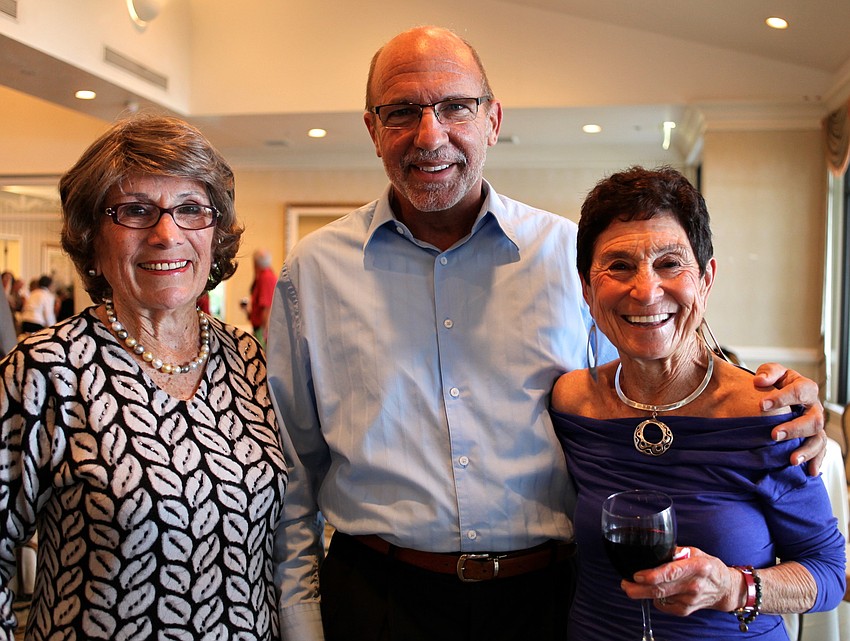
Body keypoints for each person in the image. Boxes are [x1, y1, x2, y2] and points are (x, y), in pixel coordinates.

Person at [267, 26, 827, 641]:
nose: (431, 135)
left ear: (492, 119)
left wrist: (772, 394)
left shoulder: (569, 255)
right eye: (402, 111)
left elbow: (651, 366)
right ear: (373, 129)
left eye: (456, 106)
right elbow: (292, 471)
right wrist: (301, 620)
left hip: (546, 601)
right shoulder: (314, 271)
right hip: (378, 598)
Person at [0, 114, 288, 640]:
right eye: (135, 211)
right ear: (90, 234)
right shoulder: (46, 370)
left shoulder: (249, 359)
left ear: (216, 233)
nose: (165, 233)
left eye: (190, 210)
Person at [549, 166, 845, 640]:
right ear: (587, 288)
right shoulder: (572, 403)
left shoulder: (766, 413)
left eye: (670, 263)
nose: (645, 290)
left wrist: (735, 587)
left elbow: (830, 572)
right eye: (619, 266)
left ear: (706, 279)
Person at [244, 248, 276, 347]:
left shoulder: (265, 277)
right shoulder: (266, 276)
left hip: (262, 329)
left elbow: (266, 307)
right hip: (261, 327)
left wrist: (264, 331)